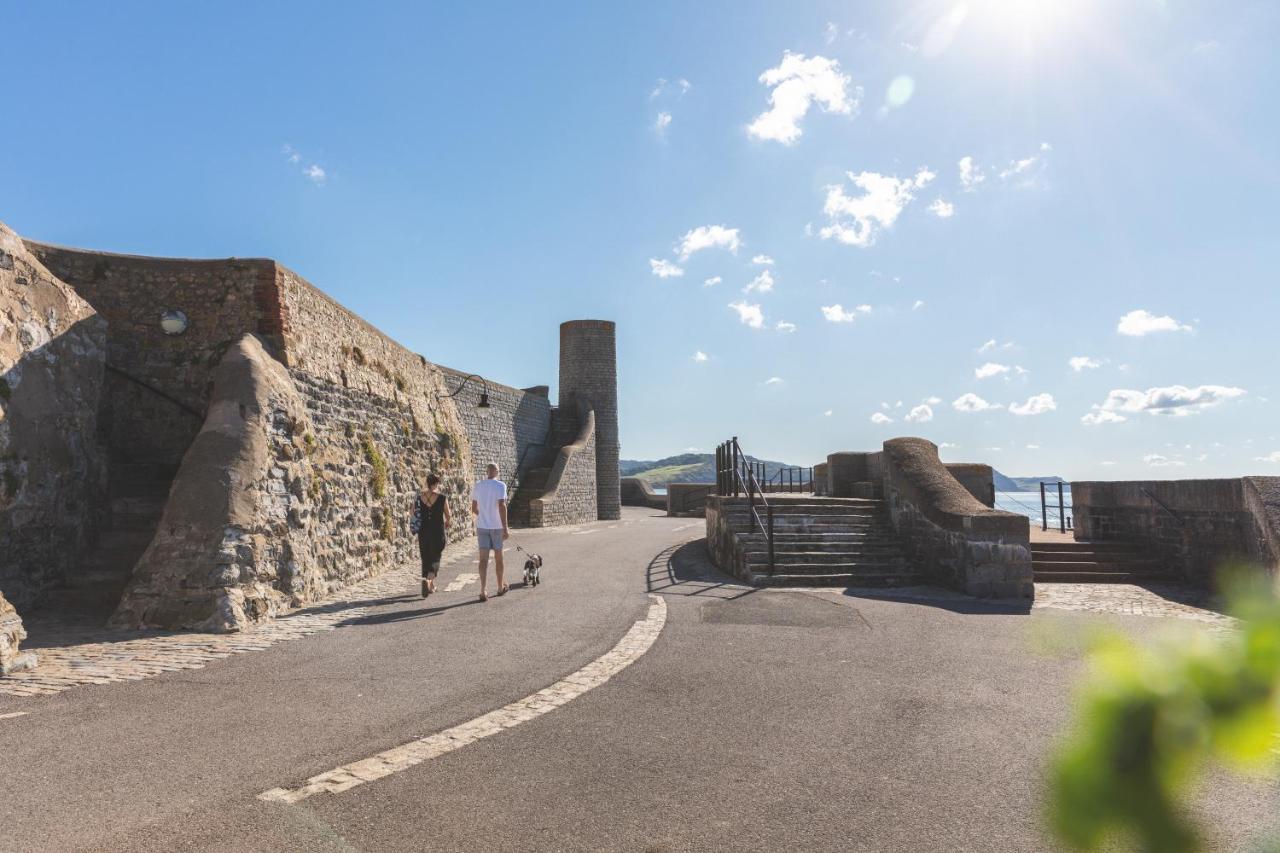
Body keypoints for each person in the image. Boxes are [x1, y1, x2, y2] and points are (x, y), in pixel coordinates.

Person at [471, 463, 509, 602]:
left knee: (483, 559)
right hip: (497, 527)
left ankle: (482, 590)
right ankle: (500, 587)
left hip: (482, 526)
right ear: (497, 472)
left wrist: (484, 515)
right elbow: (502, 505)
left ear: (487, 471)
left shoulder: (478, 485)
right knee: (499, 558)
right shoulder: (501, 486)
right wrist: (505, 527)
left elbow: (474, 508)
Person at [410, 473, 451, 598]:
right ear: (436, 483)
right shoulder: (442, 497)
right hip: (437, 531)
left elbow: (412, 512)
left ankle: (430, 585)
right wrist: (448, 522)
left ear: (427, 483)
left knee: (426, 556)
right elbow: (448, 515)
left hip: (423, 531)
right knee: (436, 556)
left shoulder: (419, 496)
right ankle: (428, 581)